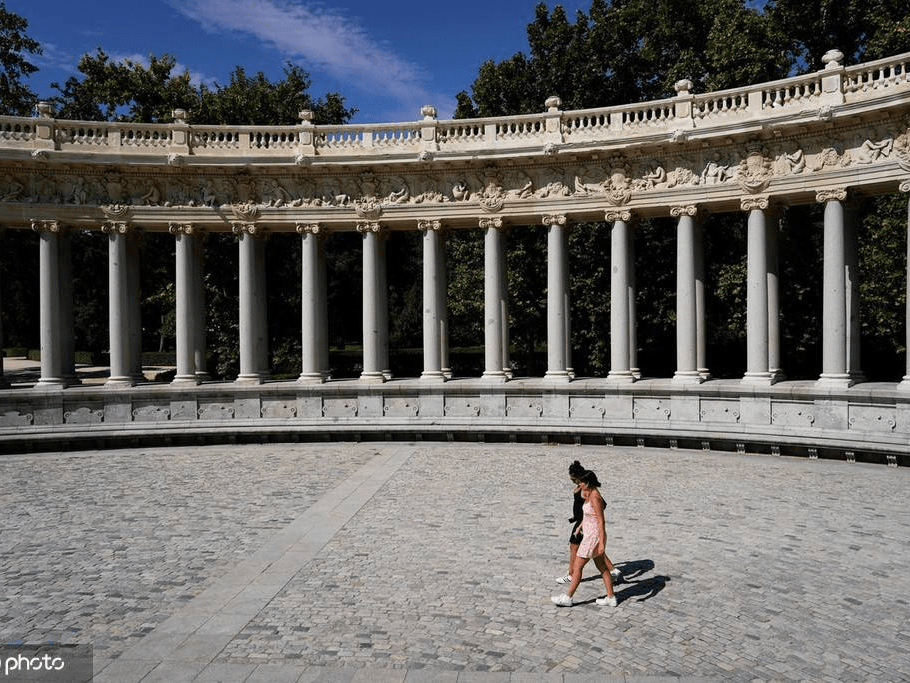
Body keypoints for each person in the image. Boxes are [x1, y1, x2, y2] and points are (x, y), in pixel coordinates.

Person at [552, 469, 618, 607]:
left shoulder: (595, 497)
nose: (579, 484)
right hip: (589, 535)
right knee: (603, 568)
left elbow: (601, 521)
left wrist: (601, 544)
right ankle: (611, 597)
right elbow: (589, 515)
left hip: (593, 538)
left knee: (577, 568)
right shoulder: (588, 494)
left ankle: (567, 597)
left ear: (588, 482)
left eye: (581, 482)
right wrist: (580, 526)